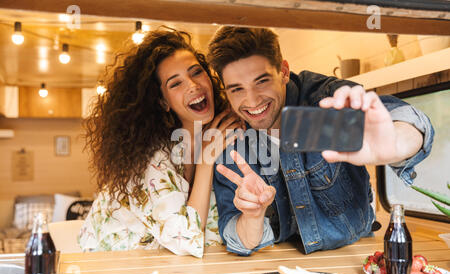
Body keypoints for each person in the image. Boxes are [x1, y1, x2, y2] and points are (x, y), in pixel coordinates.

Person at [206, 27, 434, 256]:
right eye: (237, 89)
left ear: (284, 72)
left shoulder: (325, 99)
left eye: (261, 81)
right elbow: (241, 239)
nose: (252, 100)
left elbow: (406, 118)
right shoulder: (232, 139)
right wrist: (252, 216)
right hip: (278, 264)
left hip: (354, 252)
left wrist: (393, 144)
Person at [78, 27, 243, 258]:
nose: (193, 85)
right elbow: (185, 241)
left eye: (196, 72)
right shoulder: (150, 159)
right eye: (175, 84)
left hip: (169, 271)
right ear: (163, 102)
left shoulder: (218, 134)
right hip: (110, 272)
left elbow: (216, 230)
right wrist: (206, 161)